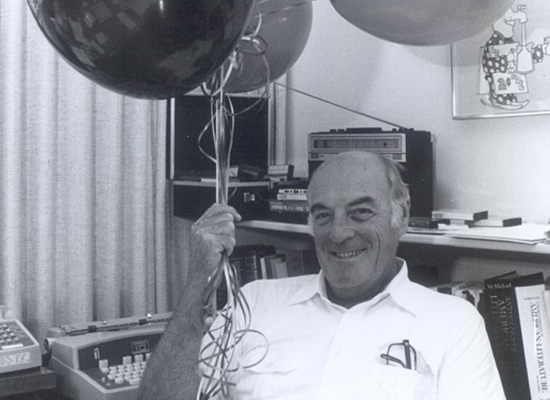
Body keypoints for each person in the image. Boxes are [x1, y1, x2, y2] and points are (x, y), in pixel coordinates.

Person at [139, 151, 505, 400]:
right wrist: (198, 283)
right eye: (323, 215)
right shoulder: (256, 301)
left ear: (401, 215)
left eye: (360, 213)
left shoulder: (453, 323)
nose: (339, 233)